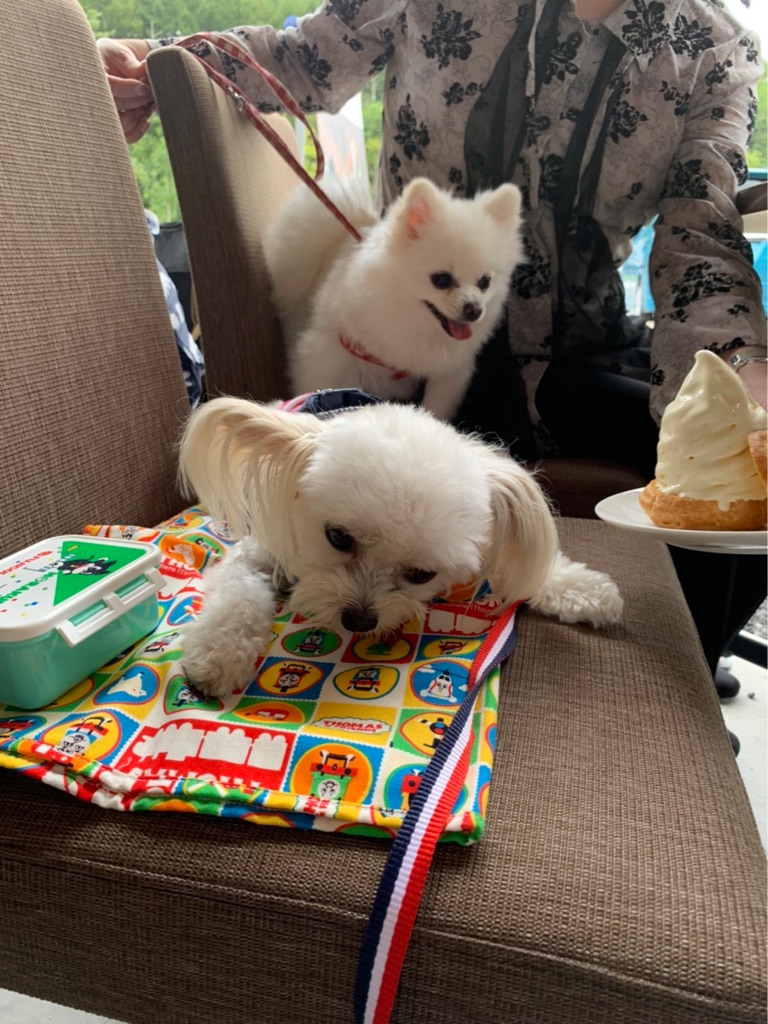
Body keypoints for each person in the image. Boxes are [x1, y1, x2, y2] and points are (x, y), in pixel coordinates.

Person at [98, 0, 766, 691]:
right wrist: (150, 66)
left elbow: (703, 238)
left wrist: (742, 375)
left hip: (576, 355)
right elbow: (301, 57)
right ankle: (678, 679)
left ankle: (687, 670)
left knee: (746, 477)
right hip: (409, 358)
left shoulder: (715, 50)